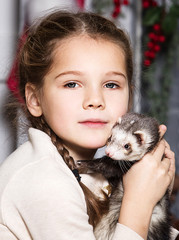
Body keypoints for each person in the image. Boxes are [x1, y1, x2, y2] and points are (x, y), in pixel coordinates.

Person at [0, 10, 178, 240]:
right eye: (72, 84)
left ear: (129, 99)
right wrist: (139, 204)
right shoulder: (43, 181)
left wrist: (155, 196)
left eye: (111, 85)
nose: (95, 100)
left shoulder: (89, 173)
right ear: (35, 100)